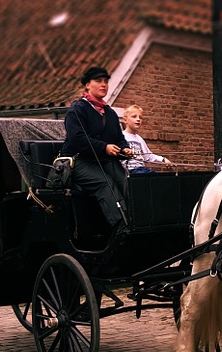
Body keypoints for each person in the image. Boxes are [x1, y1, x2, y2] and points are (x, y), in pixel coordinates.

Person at [62, 66, 132, 236]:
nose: (104, 85)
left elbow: (118, 137)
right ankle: (121, 228)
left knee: (126, 181)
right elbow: (77, 139)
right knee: (105, 183)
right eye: (98, 81)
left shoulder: (109, 112)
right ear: (87, 85)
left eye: (106, 82)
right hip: (78, 161)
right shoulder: (77, 109)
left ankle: (136, 222)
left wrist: (124, 147)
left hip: (104, 160)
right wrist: (104, 147)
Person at [119, 105, 172, 175]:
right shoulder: (120, 136)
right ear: (125, 120)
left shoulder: (139, 139)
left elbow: (148, 156)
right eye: (134, 116)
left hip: (141, 169)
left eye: (140, 117)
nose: (138, 119)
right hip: (129, 171)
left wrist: (163, 159)